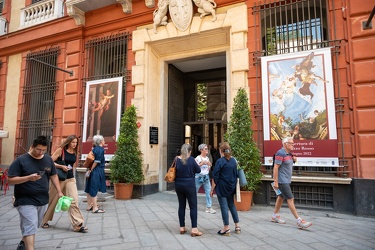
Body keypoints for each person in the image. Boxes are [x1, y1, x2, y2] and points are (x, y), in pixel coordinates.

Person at [8, 135, 64, 250]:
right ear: (32, 146)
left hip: (42, 200)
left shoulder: (48, 159)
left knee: (34, 225)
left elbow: (53, 175)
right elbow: (10, 179)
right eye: (38, 149)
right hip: (25, 199)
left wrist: (59, 191)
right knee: (30, 225)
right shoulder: (21, 160)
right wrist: (28, 178)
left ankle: (23, 243)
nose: (41, 152)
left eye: (44, 150)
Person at [41, 135, 88, 233]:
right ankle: (44, 220)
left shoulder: (75, 152)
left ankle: (78, 224)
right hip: (59, 178)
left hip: (70, 178)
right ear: (68, 142)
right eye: (73, 142)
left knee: (74, 200)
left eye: (76, 142)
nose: (74, 144)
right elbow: (49, 162)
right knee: (53, 200)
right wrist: (61, 166)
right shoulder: (60, 150)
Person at [271, 136, 312, 229]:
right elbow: (275, 167)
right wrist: (276, 182)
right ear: (285, 144)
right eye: (291, 143)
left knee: (281, 197)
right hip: (282, 181)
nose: (293, 145)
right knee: (290, 198)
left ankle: (275, 215)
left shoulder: (288, 153)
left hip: (287, 179)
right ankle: (299, 221)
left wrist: (293, 160)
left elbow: (286, 164)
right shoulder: (280, 153)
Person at [211, 142, 240, 236]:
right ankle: (237, 226)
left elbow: (215, 176)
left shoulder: (220, 161)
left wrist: (213, 187)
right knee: (231, 205)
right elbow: (236, 174)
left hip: (222, 186)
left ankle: (226, 228)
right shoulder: (233, 161)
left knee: (224, 206)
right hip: (231, 186)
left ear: (221, 151)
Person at [175, 144, 203, 237]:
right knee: (193, 206)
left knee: (181, 206)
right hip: (189, 185)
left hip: (178, 185)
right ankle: (194, 229)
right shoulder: (191, 160)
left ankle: (182, 227)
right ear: (190, 151)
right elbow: (198, 170)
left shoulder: (177, 159)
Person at [85, 134, 107, 213]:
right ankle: (95, 208)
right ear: (101, 141)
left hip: (92, 170)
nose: (104, 141)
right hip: (96, 170)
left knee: (89, 187)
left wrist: (90, 169)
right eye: (104, 140)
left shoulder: (94, 149)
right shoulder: (101, 149)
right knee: (95, 188)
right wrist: (92, 169)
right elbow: (97, 161)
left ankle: (89, 205)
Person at [195, 144, 216, 214]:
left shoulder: (207, 158)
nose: (207, 150)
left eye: (207, 149)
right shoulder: (198, 158)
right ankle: (191, 204)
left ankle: (209, 207)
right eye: (206, 149)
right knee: (194, 192)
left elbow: (210, 165)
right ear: (201, 150)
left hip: (206, 177)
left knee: (209, 191)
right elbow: (194, 167)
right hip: (198, 177)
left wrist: (209, 165)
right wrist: (201, 163)